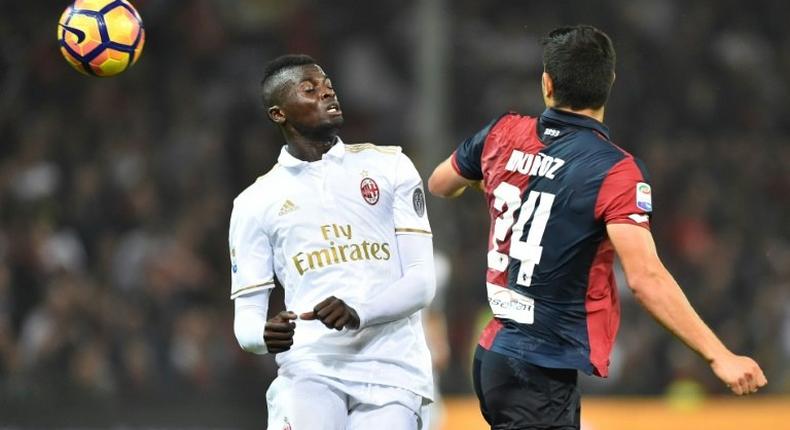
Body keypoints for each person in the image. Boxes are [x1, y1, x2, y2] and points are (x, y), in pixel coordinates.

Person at [427, 25, 767, 429]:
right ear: (610, 83)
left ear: (546, 83)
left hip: (499, 355)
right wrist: (719, 356)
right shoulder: (615, 171)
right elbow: (646, 279)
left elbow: (440, 183)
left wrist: (498, 177)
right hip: (537, 367)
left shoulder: (503, 132)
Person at [229, 54, 436, 429]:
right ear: (279, 113)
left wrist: (359, 311)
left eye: (328, 86)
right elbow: (247, 319)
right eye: (309, 89)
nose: (326, 93)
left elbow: (422, 281)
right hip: (311, 366)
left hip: (393, 369)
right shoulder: (255, 202)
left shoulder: (390, 167)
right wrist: (262, 336)